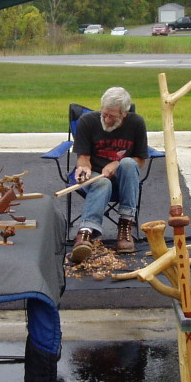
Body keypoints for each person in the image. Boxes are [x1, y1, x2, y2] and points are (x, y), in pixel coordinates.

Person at [70, 86, 149, 262]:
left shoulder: (136, 123)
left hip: (125, 178)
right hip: (96, 175)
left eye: (112, 116)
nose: (106, 119)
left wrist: (116, 163)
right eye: (104, 113)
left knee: (128, 163)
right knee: (102, 183)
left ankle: (125, 225)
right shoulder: (87, 121)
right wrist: (84, 168)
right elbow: (83, 157)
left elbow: (141, 160)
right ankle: (86, 233)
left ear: (124, 114)